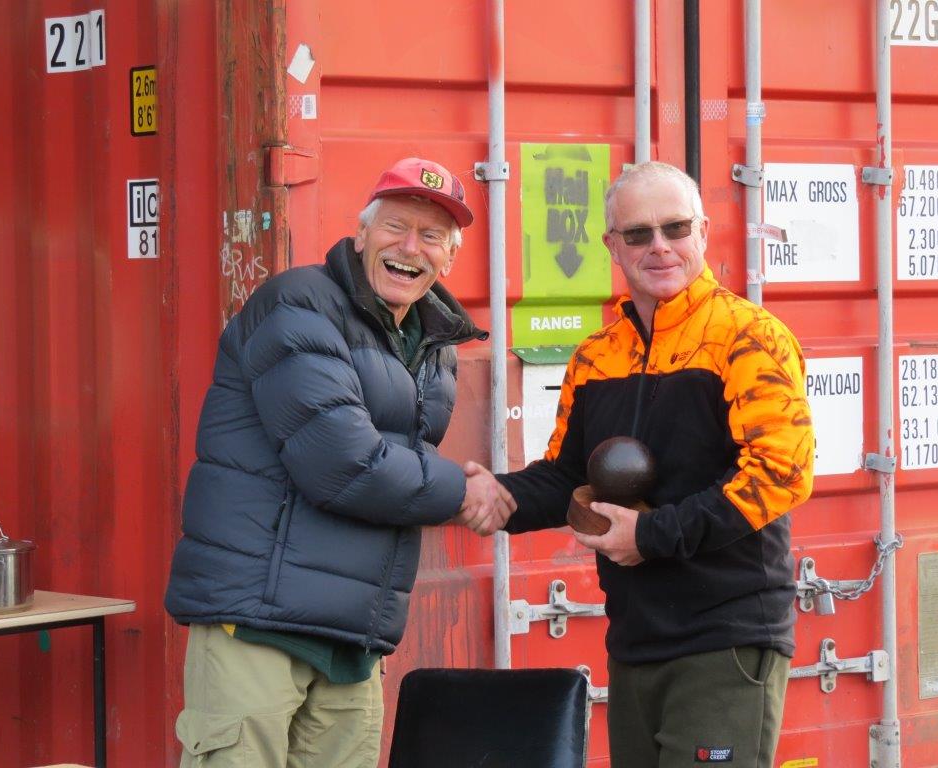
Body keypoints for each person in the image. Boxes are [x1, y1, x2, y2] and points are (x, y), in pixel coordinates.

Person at [165, 157, 514, 768]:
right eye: (395, 226)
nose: (410, 247)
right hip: (258, 622)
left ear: (449, 258)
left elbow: (397, 469)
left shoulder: (433, 346)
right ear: (361, 233)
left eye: (431, 236)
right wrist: (466, 492)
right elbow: (344, 464)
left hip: (353, 635)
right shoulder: (298, 306)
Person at [482, 161, 814, 767]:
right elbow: (567, 477)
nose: (658, 246)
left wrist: (650, 536)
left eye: (675, 228)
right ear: (612, 246)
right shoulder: (596, 356)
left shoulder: (748, 336)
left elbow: (780, 474)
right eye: (638, 233)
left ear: (703, 232)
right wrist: (491, 497)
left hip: (726, 639)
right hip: (634, 640)